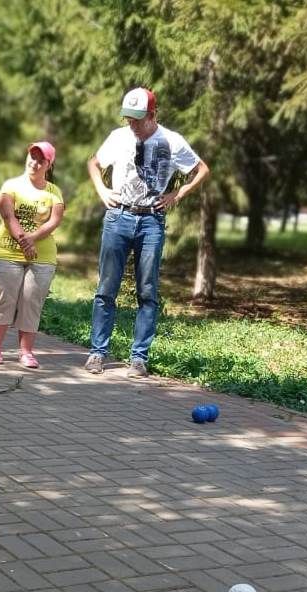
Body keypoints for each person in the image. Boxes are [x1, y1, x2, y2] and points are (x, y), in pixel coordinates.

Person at [85, 87, 210, 378]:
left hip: (152, 221)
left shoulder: (172, 141)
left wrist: (178, 193)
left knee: (147, 291)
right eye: (129, 118)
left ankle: (138, 358)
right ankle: (97, 352)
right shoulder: (118, 137)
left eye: (138, 119)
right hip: (118, 216)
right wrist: (102, 188)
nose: (133, 124)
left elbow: (201, 169)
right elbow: (94, 163)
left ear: (153, 115)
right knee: (106, 288)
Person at [0, 141, 64, 368]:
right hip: (7, 251)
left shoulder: (53, 191)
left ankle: (26, 352)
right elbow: (8, 215)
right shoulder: (11, 186)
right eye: (32, 156)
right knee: (5, 299)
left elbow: (55, 220)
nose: (35, 163)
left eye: (41, 160)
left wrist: (32, 239)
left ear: (49, 164)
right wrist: (24, 240)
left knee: (32, 301)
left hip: (42, 255)